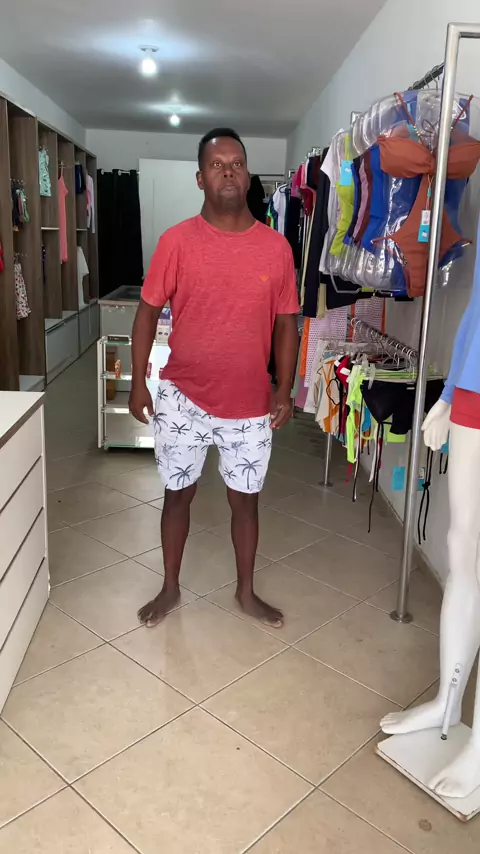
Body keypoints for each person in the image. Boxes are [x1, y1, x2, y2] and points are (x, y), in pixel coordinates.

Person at [129, 127, 299, 629]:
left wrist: (284, 389)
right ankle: (170, 587)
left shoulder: (276, 248)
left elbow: (286, 324)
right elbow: (146, 313)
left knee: (245, 502)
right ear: (200, 178)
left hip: (249, 403)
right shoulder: (177, 242)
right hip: (182, 397)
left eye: (237, 163)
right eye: (217, 164)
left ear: (248, 176)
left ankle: (246, 591)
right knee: (177, 493)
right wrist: (138, 381)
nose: (228, 171)